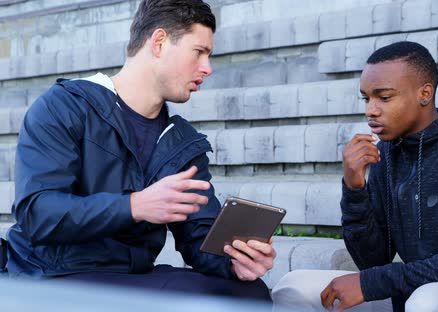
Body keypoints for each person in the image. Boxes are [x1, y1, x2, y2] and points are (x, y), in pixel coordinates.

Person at [3, 0, 275, 303]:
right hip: (52, 274)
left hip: (126, 276)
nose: (207, 69)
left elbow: (198, 235)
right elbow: (37, 213)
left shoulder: (180, 141)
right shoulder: (65, 106)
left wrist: (234, 260)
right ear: (159, 42)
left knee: (248, 294)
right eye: (199, 52)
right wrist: (134, 206)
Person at [271, 41, 438, 312]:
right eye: (366, 98)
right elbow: (373, 260)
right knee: (294, 286)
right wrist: (354, 187)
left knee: (428, 301)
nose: (371, 110)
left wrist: (371, 283)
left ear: (424, 93)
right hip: (413, 289)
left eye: (384, 97)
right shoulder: (386, 153)